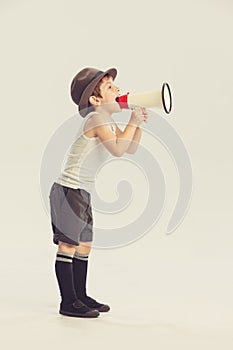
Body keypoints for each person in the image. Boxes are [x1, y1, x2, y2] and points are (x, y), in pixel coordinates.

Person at [49, 67, 148, 318]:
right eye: (109, 87)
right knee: (68, 246)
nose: (117, 89)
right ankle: (68, 302)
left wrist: (137, 125)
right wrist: (132, 123)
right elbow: (117, 149)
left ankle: (80, 296)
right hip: (69, 190)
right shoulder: (95, 119)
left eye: (115, 84)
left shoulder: (109, 121)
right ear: (95, 100)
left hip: (82, 192)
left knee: (84, 246)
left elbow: (130, 149)